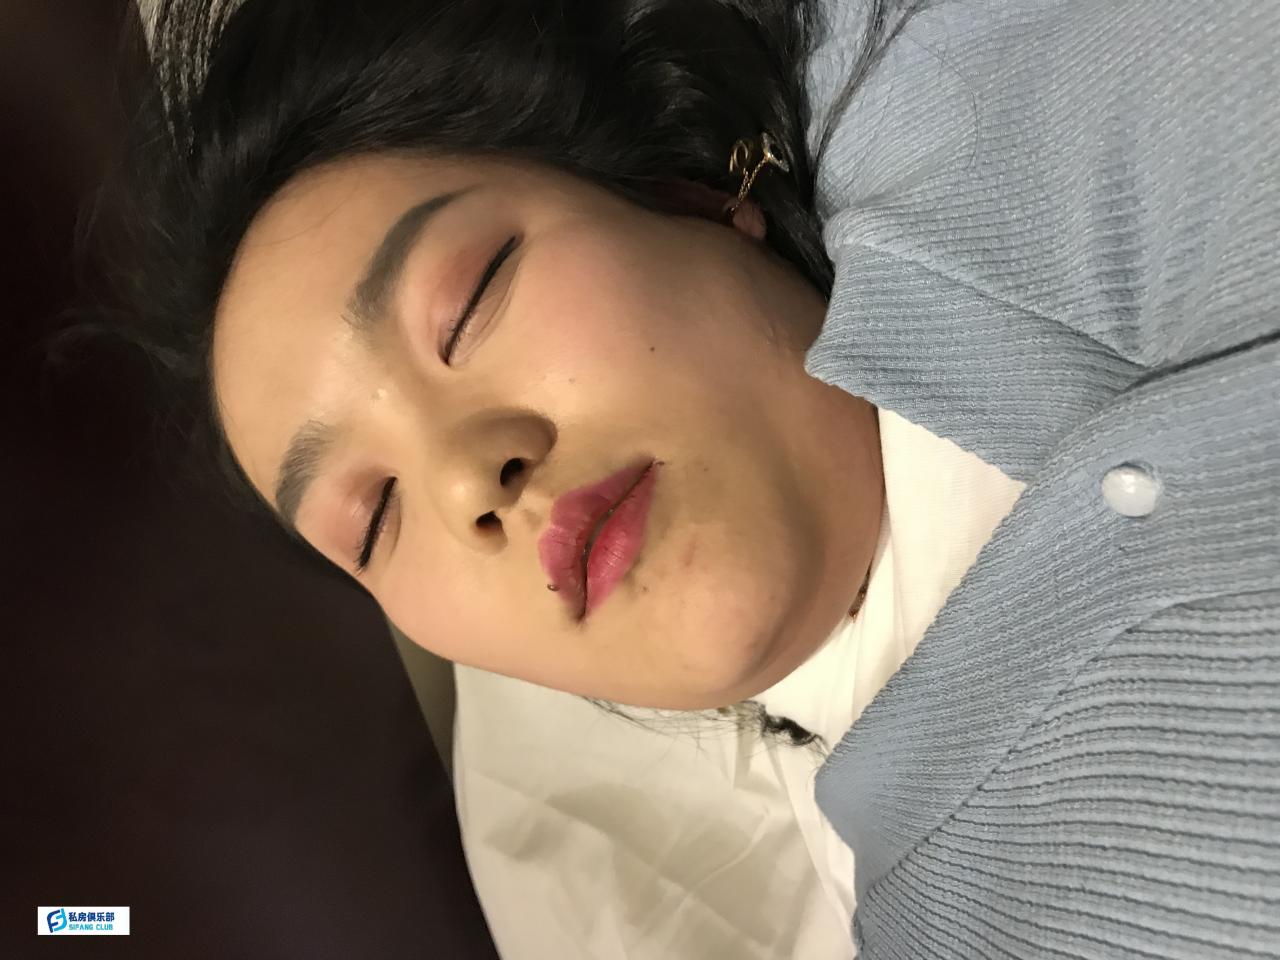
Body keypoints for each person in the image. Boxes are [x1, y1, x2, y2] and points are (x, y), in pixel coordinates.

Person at [102, 0, 1279, 955]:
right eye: (372, 519)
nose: (468, 481)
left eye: (468, 303)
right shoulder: (975, 918)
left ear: (681, 192)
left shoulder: (982, 95)